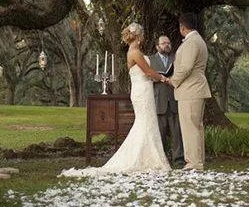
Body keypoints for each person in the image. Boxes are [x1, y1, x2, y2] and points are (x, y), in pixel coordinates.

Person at [60, 22, 171, 176]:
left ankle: (148, 157)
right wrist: (164, 79)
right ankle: (144, 159)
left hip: (143, 90)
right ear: (138, 36)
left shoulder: (134, 51)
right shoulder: (136, 53)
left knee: (146, 123)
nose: (144, 38)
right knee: (145, 123)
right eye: (143, 35)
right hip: (142, 91)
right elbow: (148, 72)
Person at [170, 13, 212, 171]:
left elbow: (186, 67)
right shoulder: (198, 40)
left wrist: (173, 81)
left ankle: (194, 162)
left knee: (190, 127)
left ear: (182, 27)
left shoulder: (192, 42)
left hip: (191, 90)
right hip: (194, 89)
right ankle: (197, 161)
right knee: (196, 127)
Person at [150, 35, 184, 167]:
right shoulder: (151, 60)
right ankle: (163, 160)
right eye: (163, 43)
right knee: (160, 133)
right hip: (159, 101)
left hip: (174, 99)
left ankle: (179, 159)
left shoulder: (176, 58)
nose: (167, 45)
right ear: (157, 46)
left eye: (168, 43)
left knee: (176, 133)